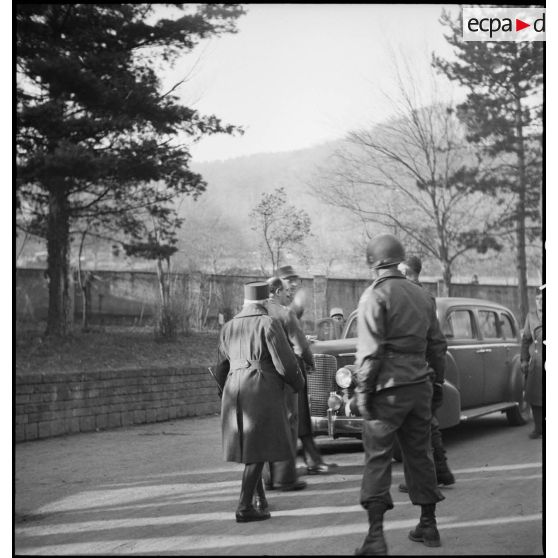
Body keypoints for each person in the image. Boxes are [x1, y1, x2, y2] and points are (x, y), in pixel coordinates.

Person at [354, 234, 447, 554]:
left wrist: (363, 391)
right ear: (399, 259)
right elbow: (437, 346)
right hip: (420, 385)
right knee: (420, 453)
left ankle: (376, 536)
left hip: (386, 390)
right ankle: (429, 524)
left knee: (378, 457)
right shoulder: (422, 296)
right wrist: (436, 386)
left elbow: (370, 353)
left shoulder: (373, 296)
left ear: (373, 263)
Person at [213, 281, 305, 522]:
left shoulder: (229, 326)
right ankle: (244, 507)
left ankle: (260, 500)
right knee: (258, 447)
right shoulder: (268, 323)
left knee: (253, 446)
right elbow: (284, 362)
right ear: (265, 302)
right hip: (260, 388)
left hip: (234, 390)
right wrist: (298, 383)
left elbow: (222, 362)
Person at [397, 256, 455, 491]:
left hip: (415, 373)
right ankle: (441, 471)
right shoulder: (426, 297)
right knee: (427, 423)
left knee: (415, 427)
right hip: (427, 371)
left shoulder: (410, 297)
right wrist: (438, 378)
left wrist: (437, 380)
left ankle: (425, 478)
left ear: (406, 271)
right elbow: (438, 344)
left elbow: (435, 343)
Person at [277, 265, 337, 474]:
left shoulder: (284, 304)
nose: (294, 284)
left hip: (291, 363)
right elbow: (289, 331)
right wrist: (306, 354)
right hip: (290, 366)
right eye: (289, 280)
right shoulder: (283, 306)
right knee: (296, 415)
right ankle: (296, 465)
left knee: (300, 414)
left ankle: (310, 459)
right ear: (279, 283)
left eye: (295, 280)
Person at [262, 276, 307, 491]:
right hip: (286, 373)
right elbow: (299, 345)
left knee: (267, 424)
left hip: (263, 377)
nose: (287, 294)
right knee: (290, 421)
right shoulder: (285, 313)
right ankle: (287, 477)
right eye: (285, 291)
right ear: (277, 291)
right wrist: (310, 361)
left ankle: (268, 477)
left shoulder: (258, 313)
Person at [520, 288, 543, 439]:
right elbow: (526, 339)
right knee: (536, 397)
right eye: (538, 299)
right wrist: (524, 360)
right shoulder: (531, 316)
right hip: (537, 362)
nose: (540, 301)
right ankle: (539, 428)